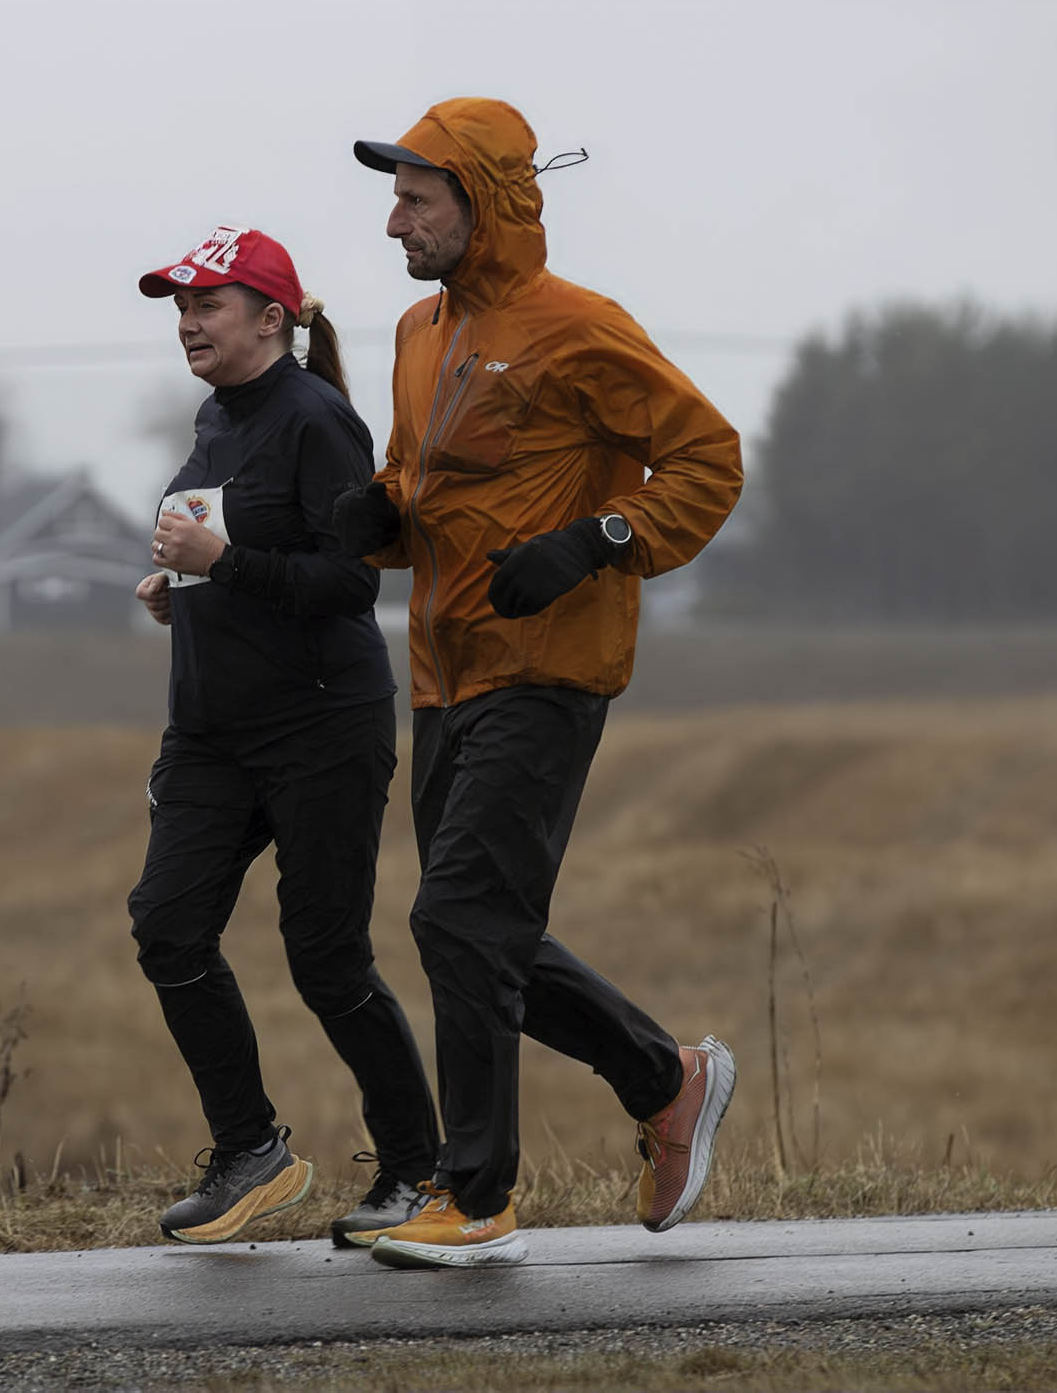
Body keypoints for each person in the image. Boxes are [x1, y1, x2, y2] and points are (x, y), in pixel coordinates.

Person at [333, 99, 745, 1269]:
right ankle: (665, 1078)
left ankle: (473, 1197)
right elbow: (422, 488)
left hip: (550, 668)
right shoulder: (419, 331)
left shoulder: (579, 327)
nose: (393, 220)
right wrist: (376, 517)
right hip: (441, 671)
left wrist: (598, 535)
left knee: (456, 918)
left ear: (485, 201)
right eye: (394, 195)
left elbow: (707, 459)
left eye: (414, 197)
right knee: (482, 931)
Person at [127, 224, 439, 1247]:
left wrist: (222, 565)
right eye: (179, 306)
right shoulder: (216, 417)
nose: (186, 323)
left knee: (325, 958)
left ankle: (414, 1171)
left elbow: (350, 581)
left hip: (320, 729)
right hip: (212, 733)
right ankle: (250, 1150)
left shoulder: (319, 421)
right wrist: (180, 583)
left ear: (272, 317)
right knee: (168, 927)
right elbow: (229, 550)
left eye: (204, 304)